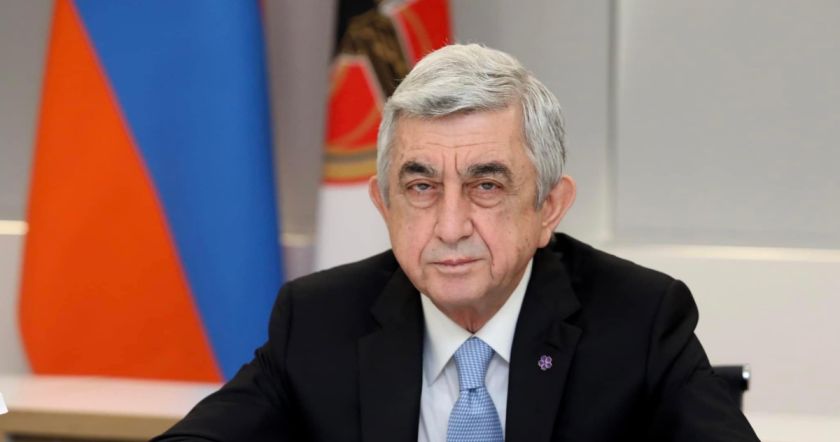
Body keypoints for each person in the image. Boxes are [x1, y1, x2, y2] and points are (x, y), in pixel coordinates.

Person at [155, 44, 758, 441]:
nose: (450, 227)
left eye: (486, 186)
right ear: (384, 205)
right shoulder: (318, 320)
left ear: (549, 207)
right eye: (420, 187)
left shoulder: (639, 320)